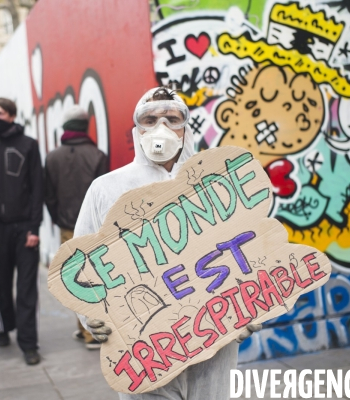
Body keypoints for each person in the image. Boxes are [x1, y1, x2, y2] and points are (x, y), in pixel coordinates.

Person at [74, 87, 262, 400]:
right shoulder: (106, 189)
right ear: (137, 129)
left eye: (171, 118)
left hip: (213, 338)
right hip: (143, 348)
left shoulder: (216, 183)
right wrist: (89, 312)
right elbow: (80, 262)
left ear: (185, 128)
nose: (160, 127)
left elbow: (250, 247)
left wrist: (253, 303)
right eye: (150, 119)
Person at [0, 97, 43, 365]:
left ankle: (29, 344)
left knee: (26, 289)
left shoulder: (29, 145)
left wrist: (34, 228)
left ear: (12, 116)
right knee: (0, 284)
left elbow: (37, 188)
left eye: (0, 112)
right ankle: (4, 326)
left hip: (24, 228)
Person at [44, 105, 108, 350]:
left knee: (74, 278)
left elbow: (48, 196)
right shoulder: (98, 155)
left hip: (67, 227)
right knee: (98, 276)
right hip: (95, 228)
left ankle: (85, 330)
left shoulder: (52, 157)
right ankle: (97, 331)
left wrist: (60, 219)